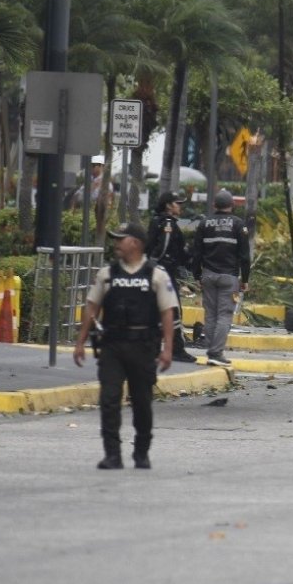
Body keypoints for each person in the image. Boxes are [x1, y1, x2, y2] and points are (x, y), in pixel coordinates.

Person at [73, 223, 176, 470]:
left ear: (136, 243)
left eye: (122, 238)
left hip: (143, 347)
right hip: (112, 346)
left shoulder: (156, 275)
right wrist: (80, 342)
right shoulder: (107, 274)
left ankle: (141, 452)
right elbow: (91, 308)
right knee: (109, 399)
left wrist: (168, 349)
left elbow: (167, 313)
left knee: (141, 401)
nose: (116, 243)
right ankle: (112, 454)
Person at [192, 189, 250, 367]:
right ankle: (216, 353)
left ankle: (211, 350)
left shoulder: (204, 224)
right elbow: (245, 257)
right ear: (232, 206)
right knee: (224, 315)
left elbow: (196, 253)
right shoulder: (239, 225)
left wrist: (197, 276)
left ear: (214, 205)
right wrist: (245, 279)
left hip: (208, 276)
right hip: (229, 277)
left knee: (211, 315)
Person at [147, 191, 196, 363]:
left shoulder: (156, 220)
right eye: (178, 203)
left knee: (155, 311)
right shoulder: (168, 223)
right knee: (174, 311)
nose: (180, 206)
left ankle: (152, 349)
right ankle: (177, 349)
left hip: (158, 272)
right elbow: (163, 247)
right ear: (168, 205)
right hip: (164, 273)